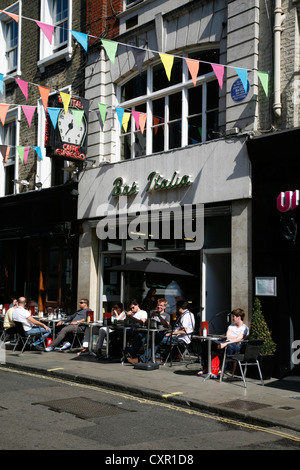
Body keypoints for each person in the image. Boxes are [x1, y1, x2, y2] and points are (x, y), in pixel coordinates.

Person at [198, 308, 249, 376]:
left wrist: (226, 343)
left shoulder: (244, 328)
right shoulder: (231, 326)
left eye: (233, 316)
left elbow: (238, 339)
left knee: (229, 346)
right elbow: (227, 337)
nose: (232, 318)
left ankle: (222, 369)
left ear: (239, 317)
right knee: (206, 343)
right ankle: (205, 368)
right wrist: (234, 338)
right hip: (226, 343)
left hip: (236, 346)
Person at [127, 298, 170, 364]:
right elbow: (146, 323)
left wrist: (159, 317)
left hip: (159, 334)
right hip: (151, 333)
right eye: (158, 305)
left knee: (152, 341)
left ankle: (140, 359)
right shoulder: (153, 313)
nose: (159, 307)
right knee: (140, 337)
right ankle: (131, 354)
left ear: (164, 307)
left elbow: (166, 325)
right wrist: (150, 317)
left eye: (161, 305)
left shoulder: (166, 315)